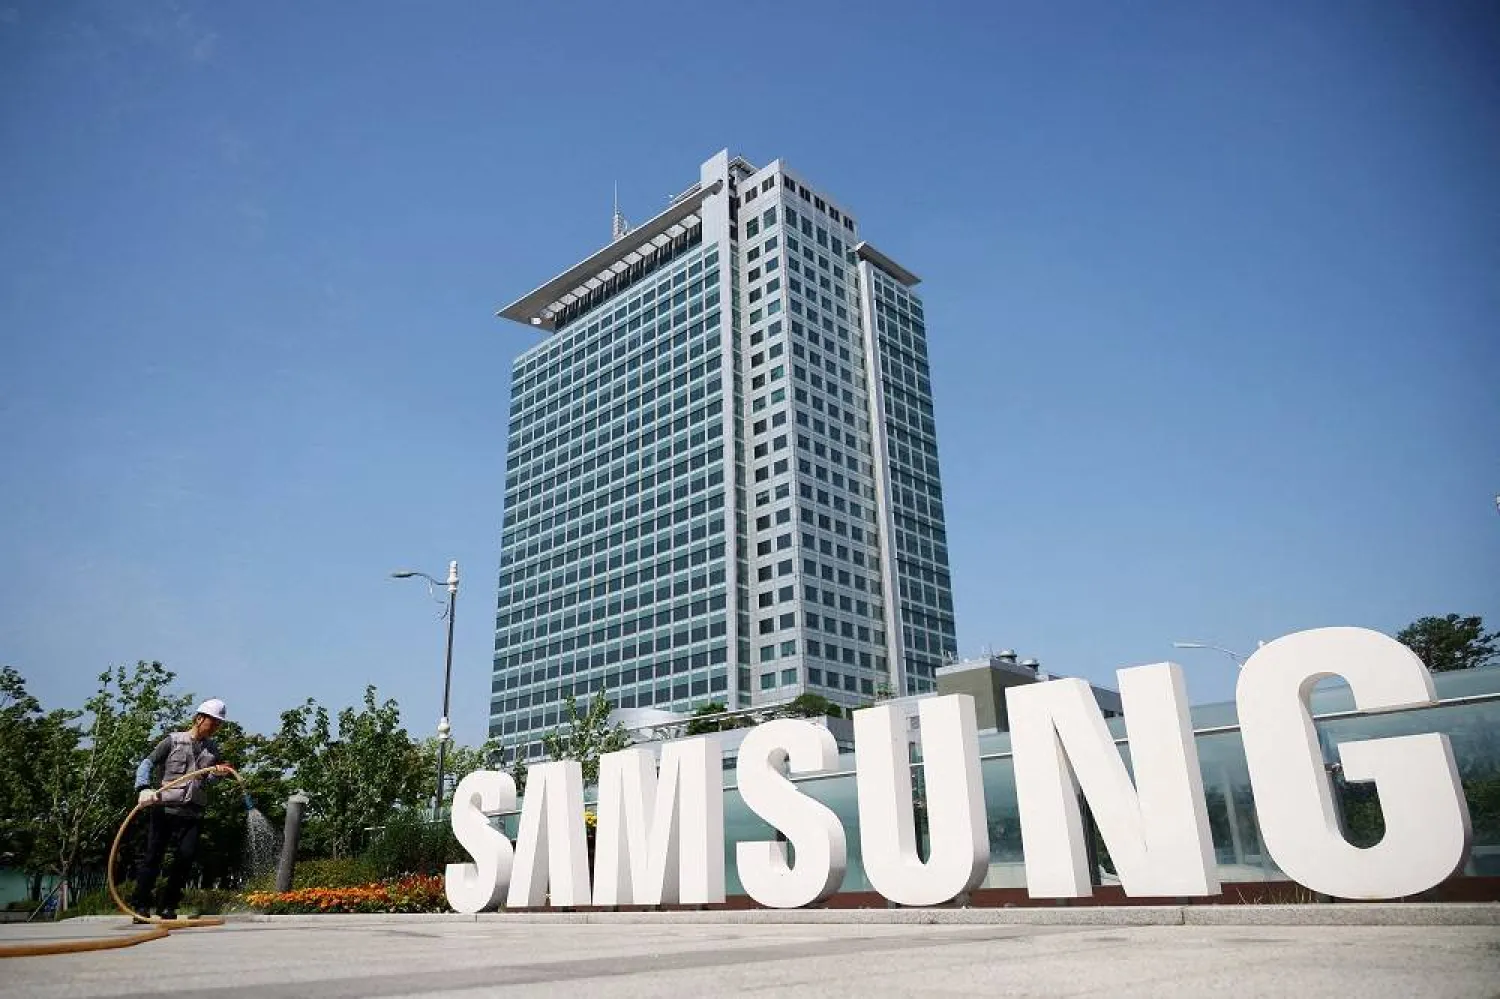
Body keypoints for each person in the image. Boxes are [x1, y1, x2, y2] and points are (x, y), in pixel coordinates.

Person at [129, 698, 235, 921]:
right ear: (199, 718)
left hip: (192, 812)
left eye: (219, 724)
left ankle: (168, 906)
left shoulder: (212, 750)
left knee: (185, 858)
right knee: (153, 857)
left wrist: (218, 775)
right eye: (213, 722)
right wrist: (143, 788)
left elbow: (206, 781)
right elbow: (146, 763)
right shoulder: (173, 741)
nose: (215, 728)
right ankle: (140, 906)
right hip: (164, 808)